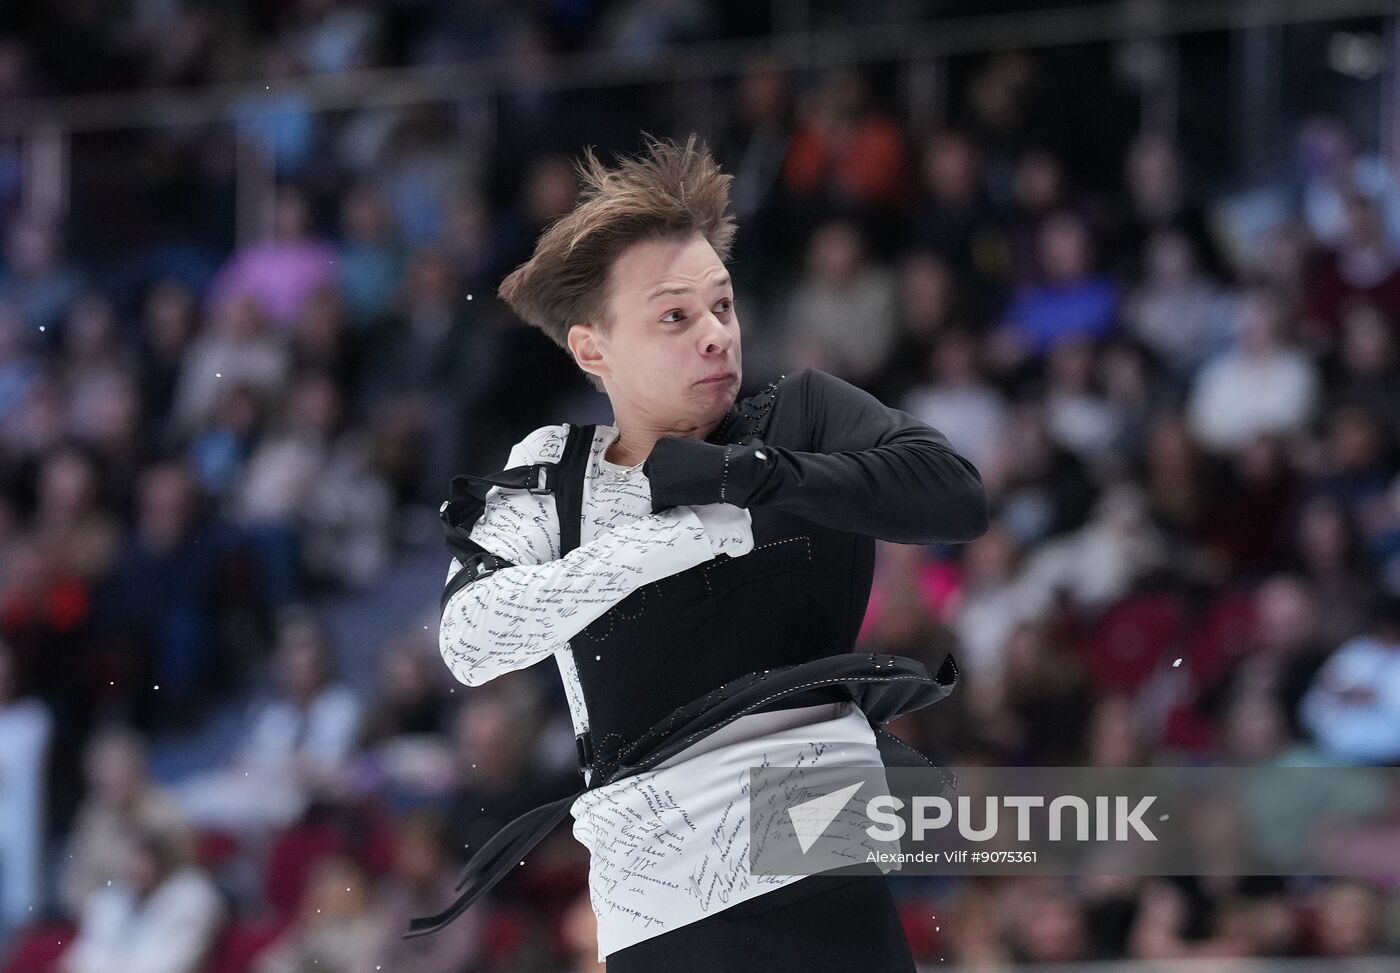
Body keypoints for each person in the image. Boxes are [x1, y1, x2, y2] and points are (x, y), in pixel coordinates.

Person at [429, 135, 988, 971]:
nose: (716, 335)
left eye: (722, 305)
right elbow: (471, 639)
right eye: (674, 316)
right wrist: (676, 538)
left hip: (815, 835)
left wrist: (749, 475)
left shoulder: (799, 417)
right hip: (655, 882)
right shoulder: (557, 468)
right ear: (593, 349)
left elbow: (952, 492)